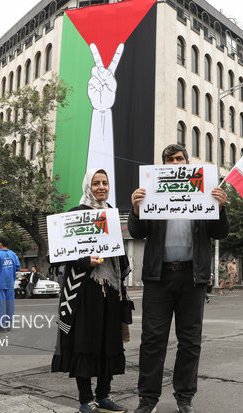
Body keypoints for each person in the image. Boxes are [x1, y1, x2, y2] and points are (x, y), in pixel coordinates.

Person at [129, 144, 229, 413]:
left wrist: (220, 206)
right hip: (158, 277)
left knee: (190, 340)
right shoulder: (151, 193)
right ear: (163, 166)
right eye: (169, 160)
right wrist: (136, 208)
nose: (175, 163)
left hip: (191, 278)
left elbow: (219, 233)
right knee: (152, 340)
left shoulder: (204, 192)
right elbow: (138, 233)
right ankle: (147, 399)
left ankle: (184, 397)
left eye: (179, 159)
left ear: (187, 163)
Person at [51, 168, 130, 413]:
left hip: (112, 290)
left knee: (109, 342)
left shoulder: (111, 214)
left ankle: (104, 396)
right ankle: (86, 400)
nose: (101, 187)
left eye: (105, 183)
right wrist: (86, 261)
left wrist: (121, 261)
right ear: (88, 186)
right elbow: (58, 255)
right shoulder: (75, 215)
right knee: (84, 343)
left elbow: (119, 255)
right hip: (84, 291)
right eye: (96, 183)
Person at [0, 237, 21, 332]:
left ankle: (2, 326)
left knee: (0, 305)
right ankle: (8, 325)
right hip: (10, 283)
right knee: (9, 305)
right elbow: (18, 267)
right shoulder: (12, 254)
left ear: (0, 244)